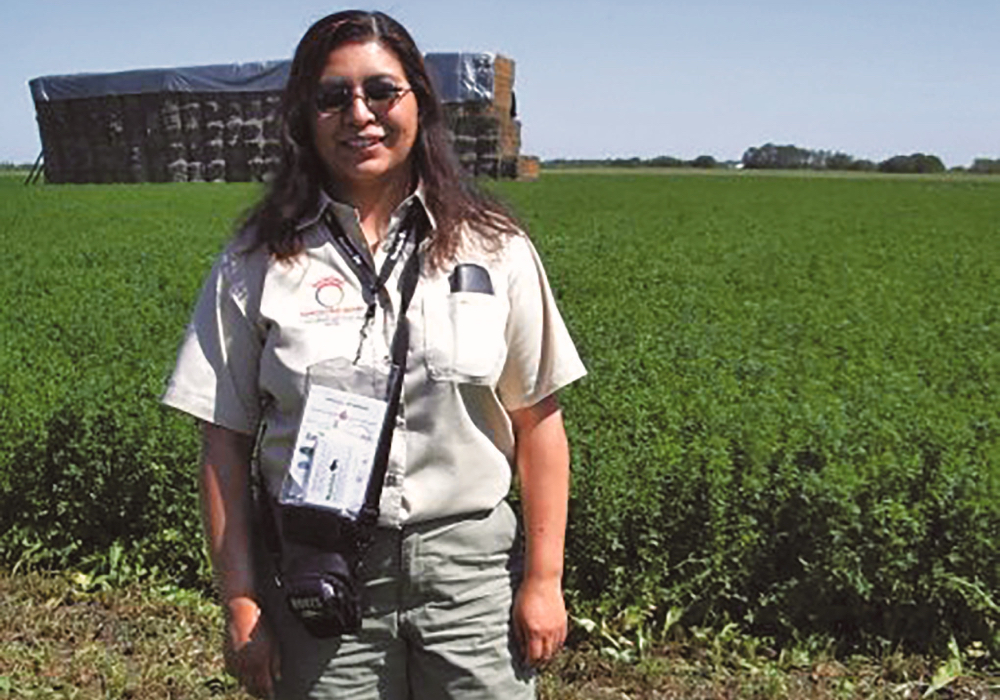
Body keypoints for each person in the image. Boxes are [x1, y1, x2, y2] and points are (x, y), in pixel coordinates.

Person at [163, 9, 586, 699]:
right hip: (320, 572)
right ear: (305, 116)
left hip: (470, 577)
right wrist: (241, 601)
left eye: (381, 91)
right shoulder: (256, 261)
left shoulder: (495, 248)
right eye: (333, 97)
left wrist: (543, 579)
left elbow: (539, 423)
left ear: (419, 100)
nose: (359, 114)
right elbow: (223, 440)